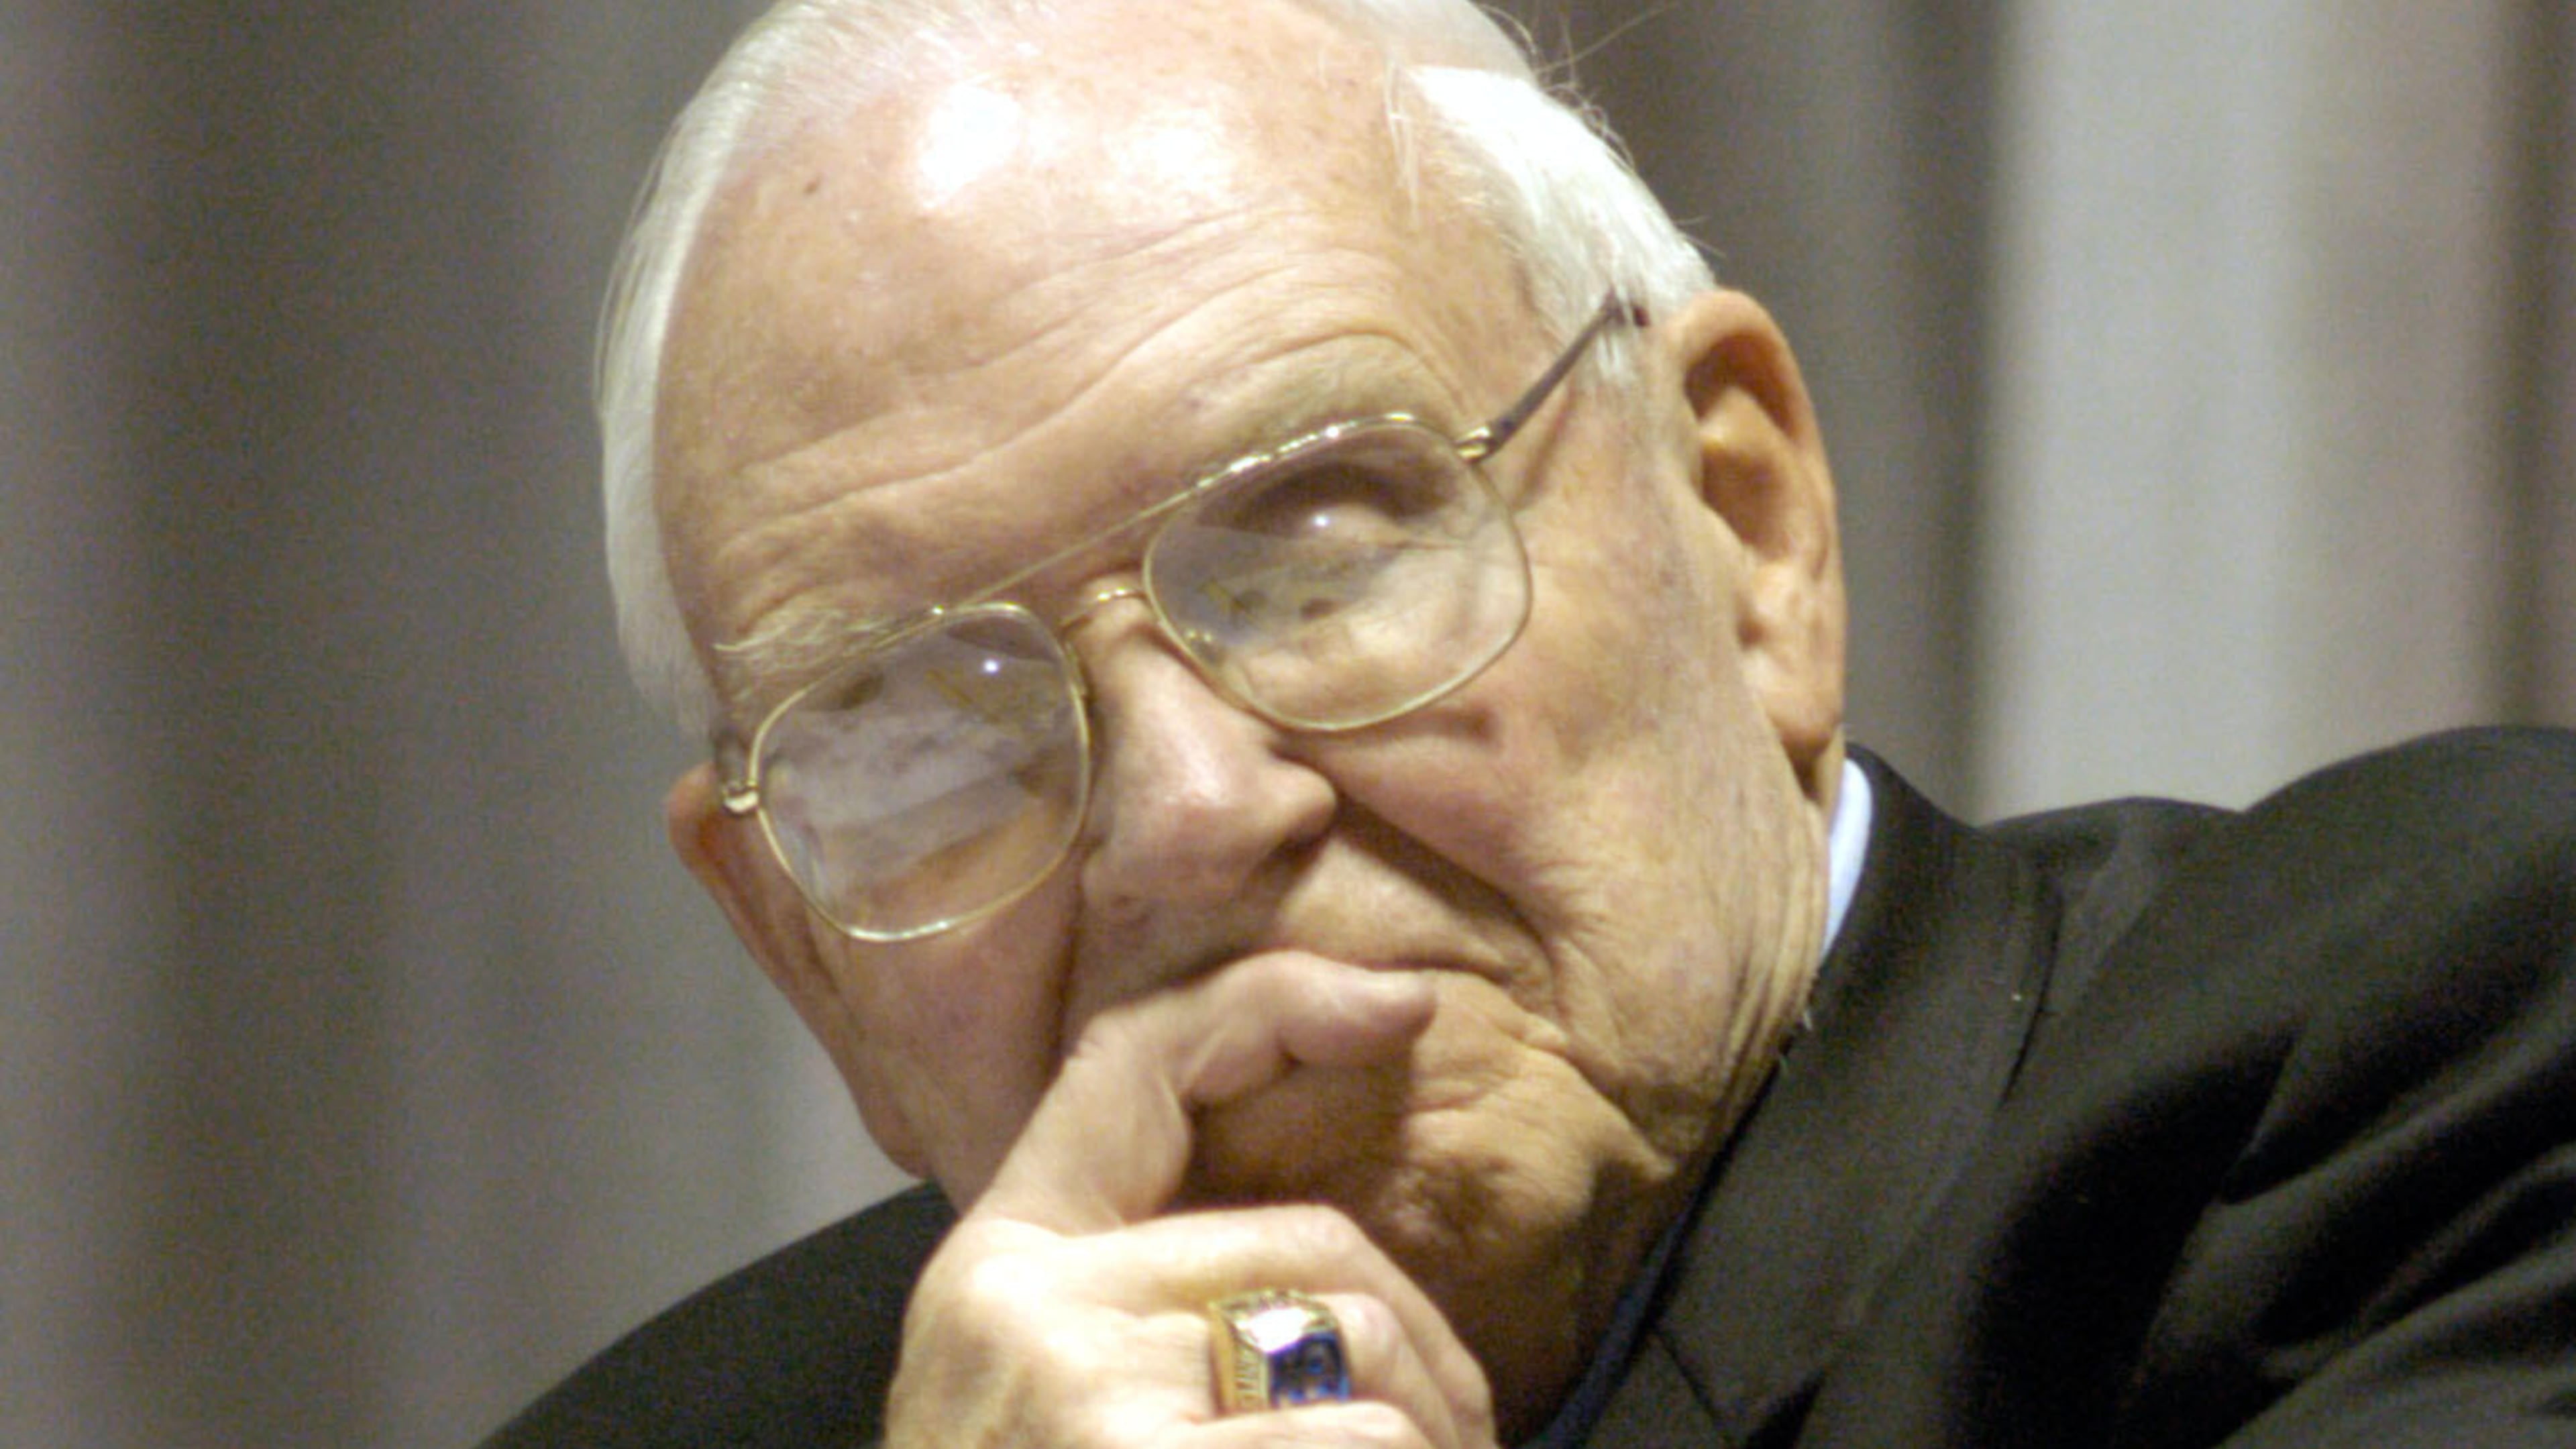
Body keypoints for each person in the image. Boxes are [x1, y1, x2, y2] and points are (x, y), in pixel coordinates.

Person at [484, 0, 2576, 1444]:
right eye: (926, 732)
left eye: (1316, 545)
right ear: (795, 941)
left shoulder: (2452, 1047)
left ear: (1746, 529)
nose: (1194, 817)